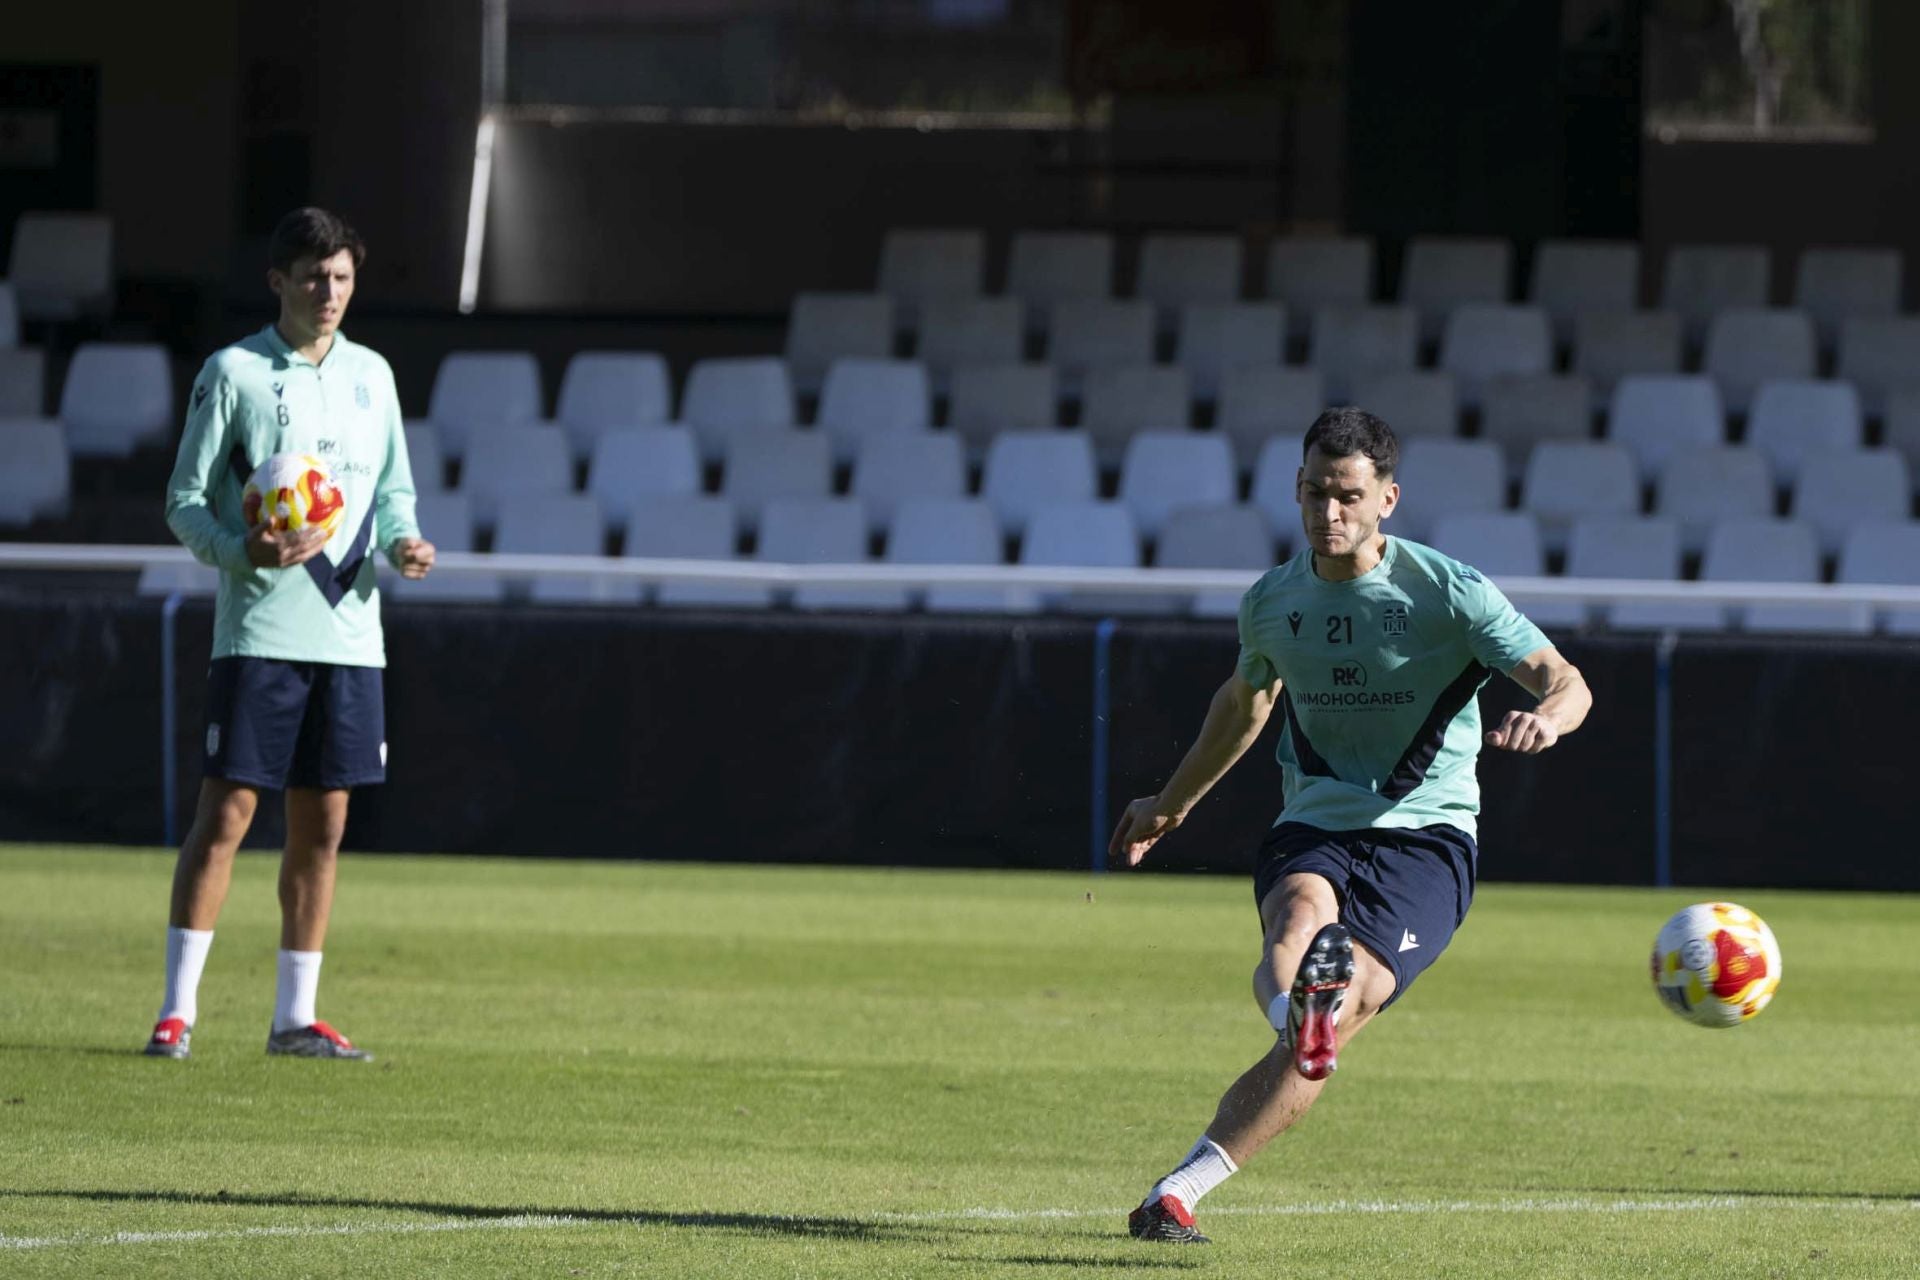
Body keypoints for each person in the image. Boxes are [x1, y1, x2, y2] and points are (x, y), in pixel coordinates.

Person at [1112, 407, 1591, 1242]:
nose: (1327, 514)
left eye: (1347, 496)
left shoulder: (1448, 592)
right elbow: (1242, 710)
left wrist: (1548, 717)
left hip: (1428, 836)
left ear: (1387, 499)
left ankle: (1178, 1189)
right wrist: (1171, 804)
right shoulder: (1272, 601)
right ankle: (1294, 1025)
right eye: (1312, 493)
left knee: (1351, 994)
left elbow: (1566, 679)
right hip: (1318, 820)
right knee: (1298, 927)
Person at [142, 206, 435, 1062]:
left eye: (342, 277)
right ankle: (176, 1011)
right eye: (314, 277)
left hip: (351, 638)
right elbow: (183, 502)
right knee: (227, 814)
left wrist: (404, 543)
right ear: (278, 281)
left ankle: (294, 1018)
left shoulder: (374, 375)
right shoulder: (232, 371)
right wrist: (245, 550)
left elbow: (392, 495)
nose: (330, 291)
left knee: (325, 827)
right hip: (262, 632)